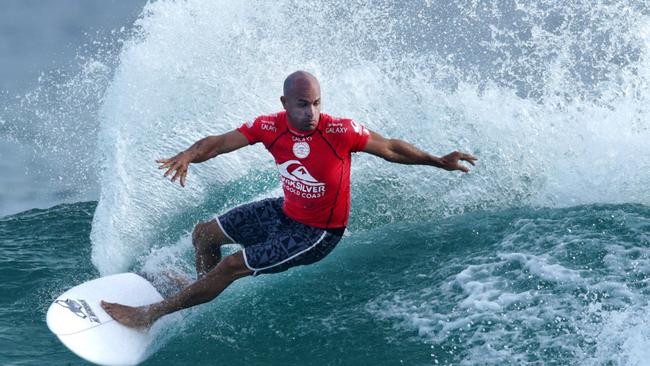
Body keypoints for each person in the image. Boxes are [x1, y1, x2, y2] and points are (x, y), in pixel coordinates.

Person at [101, 71, 477, 328]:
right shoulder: (269, 127)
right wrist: (188, 155)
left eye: (315, 103)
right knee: (204, 235)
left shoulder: (340, 131)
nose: (310, 112)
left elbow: (391, 147)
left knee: (231, 265)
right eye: (301, 104)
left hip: (317, 234)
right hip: (285, 212)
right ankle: (199, 293)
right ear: (285, 103)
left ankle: (151, 314)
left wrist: (437, 161)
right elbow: (219, 143)